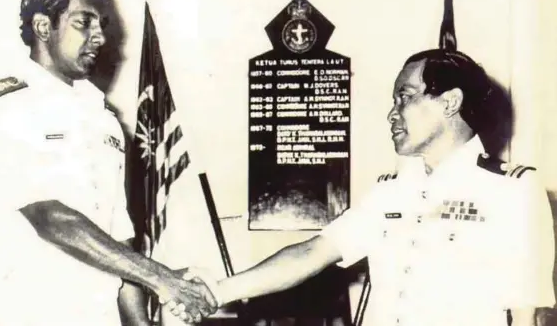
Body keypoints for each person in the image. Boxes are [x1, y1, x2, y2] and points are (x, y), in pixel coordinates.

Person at [182, 49, 556, 326]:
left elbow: (531, 310)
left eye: (405, 96)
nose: (392, 113)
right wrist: (217, 290)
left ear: (450, 102)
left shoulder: (512, 189)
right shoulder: (389, 192)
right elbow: (312, 253)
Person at [0, 0, 216, 325]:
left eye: (102, 24)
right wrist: (162, 279)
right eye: (84, 22)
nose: (99, 36)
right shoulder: (3, 105)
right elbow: (50, 216)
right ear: (42, 27)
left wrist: (139, 323)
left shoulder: (102, 117)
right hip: (25, 311)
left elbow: (119, 236)